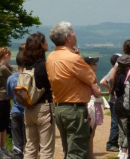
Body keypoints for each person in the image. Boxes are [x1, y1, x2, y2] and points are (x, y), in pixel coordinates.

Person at [46, 22, 97, 159]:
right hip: (75, 109)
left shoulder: (50, 57)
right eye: (73, 31)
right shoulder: (74, 58)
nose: (75, 34)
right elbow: (92, 78)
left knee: (68, 150)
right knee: (78, 152)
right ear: (67, 38)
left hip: (60, 108)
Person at [22, 32, 55, 159]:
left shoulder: (27, 65)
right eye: (45, 41)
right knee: (46, 148)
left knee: (31, 146)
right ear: (41, 45)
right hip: (44, 107)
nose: (47, 43)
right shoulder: (44, 65)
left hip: (29, 107)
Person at [0, 46, 14, 159]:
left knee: (4, 124)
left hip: (3, 98)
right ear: (6, 55)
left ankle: (3, 147)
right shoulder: (4, 68)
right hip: (2, 98)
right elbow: (14, 78)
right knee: (0, 125)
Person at [6, 51, 26, 159]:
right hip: (27, 112)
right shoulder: (29, 77)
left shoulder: (10, 78)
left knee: (17, 143)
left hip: (15, 111)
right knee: (29, 142)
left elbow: (9, 95)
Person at [99, 53, 121, 152]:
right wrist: (111, 89)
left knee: (115, 122)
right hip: (115, 101)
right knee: (115, 122)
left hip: (113, 101)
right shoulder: (114, 71)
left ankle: (114, 142)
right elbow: (102, 82)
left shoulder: (112, 70)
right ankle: (112, 143)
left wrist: (110, 89)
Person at [83, 56, 103, 159]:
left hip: (86, 102)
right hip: (92, 103)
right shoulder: (91, 75)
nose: (96, 65)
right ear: (89, 65)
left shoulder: (82, 74)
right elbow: (97, 92)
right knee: (91, 133)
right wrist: (99, 90)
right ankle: (90, 156)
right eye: (94, 63)